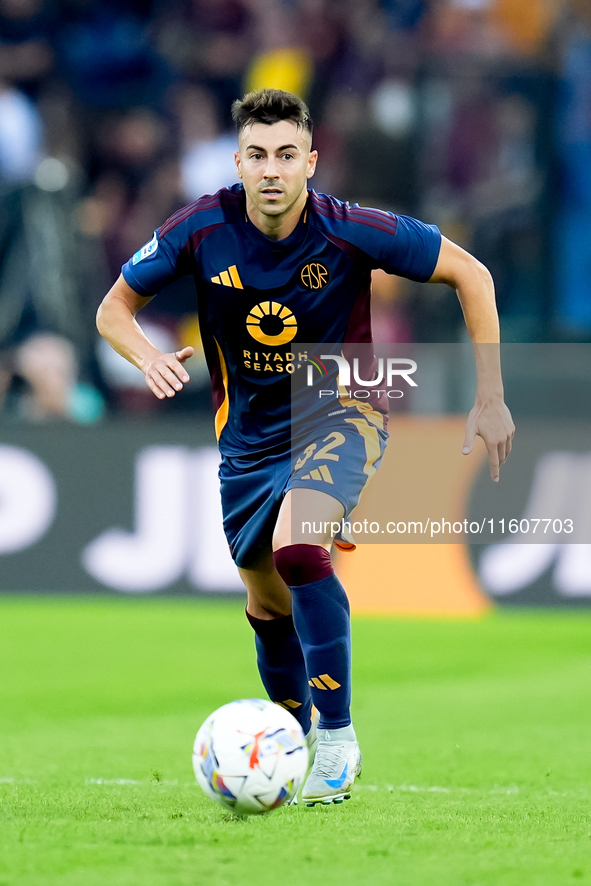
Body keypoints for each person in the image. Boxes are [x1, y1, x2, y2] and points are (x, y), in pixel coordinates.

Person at [96, 88, 515, 806]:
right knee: (266, 604)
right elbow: (113, 309)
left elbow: (469, 273)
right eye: (257, 155)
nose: (271, 170)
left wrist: (489, 397)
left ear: (310, 163)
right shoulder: (200, 227)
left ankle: (337, 738)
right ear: (237, 161)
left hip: (341, 405)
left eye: (286, 155)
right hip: (248, 438)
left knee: (298, 548)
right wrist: (146, 356)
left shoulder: (351, 230)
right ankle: (284, 743)